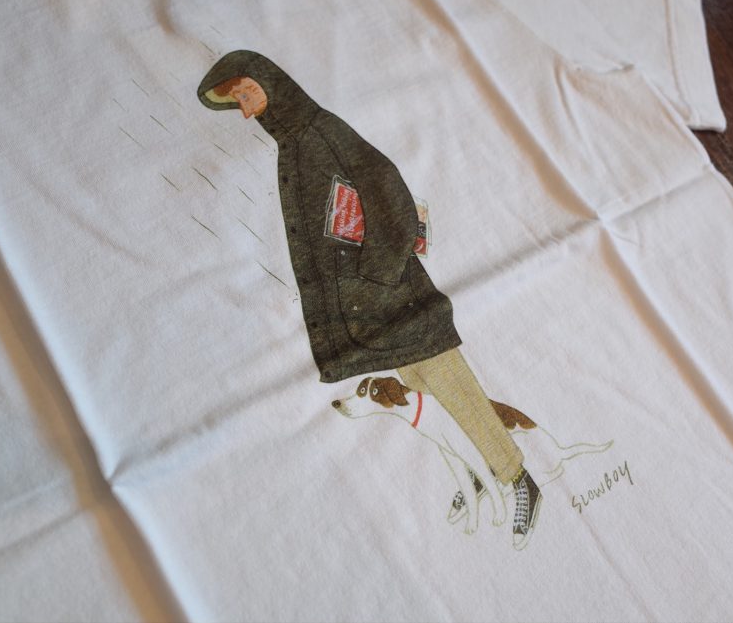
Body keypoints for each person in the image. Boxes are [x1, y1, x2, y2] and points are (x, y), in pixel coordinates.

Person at [198, 50, 541, 549]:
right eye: (239, 103)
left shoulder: (321, 131)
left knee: (450, 385)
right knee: (428, 394)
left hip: (392, 295)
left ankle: (517, 477)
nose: (247, 111)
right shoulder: (295, 144)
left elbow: (391, 195)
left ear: (270, 81)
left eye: (247, 94)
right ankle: (483, 472)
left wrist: (376, 277)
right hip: (371, 302)